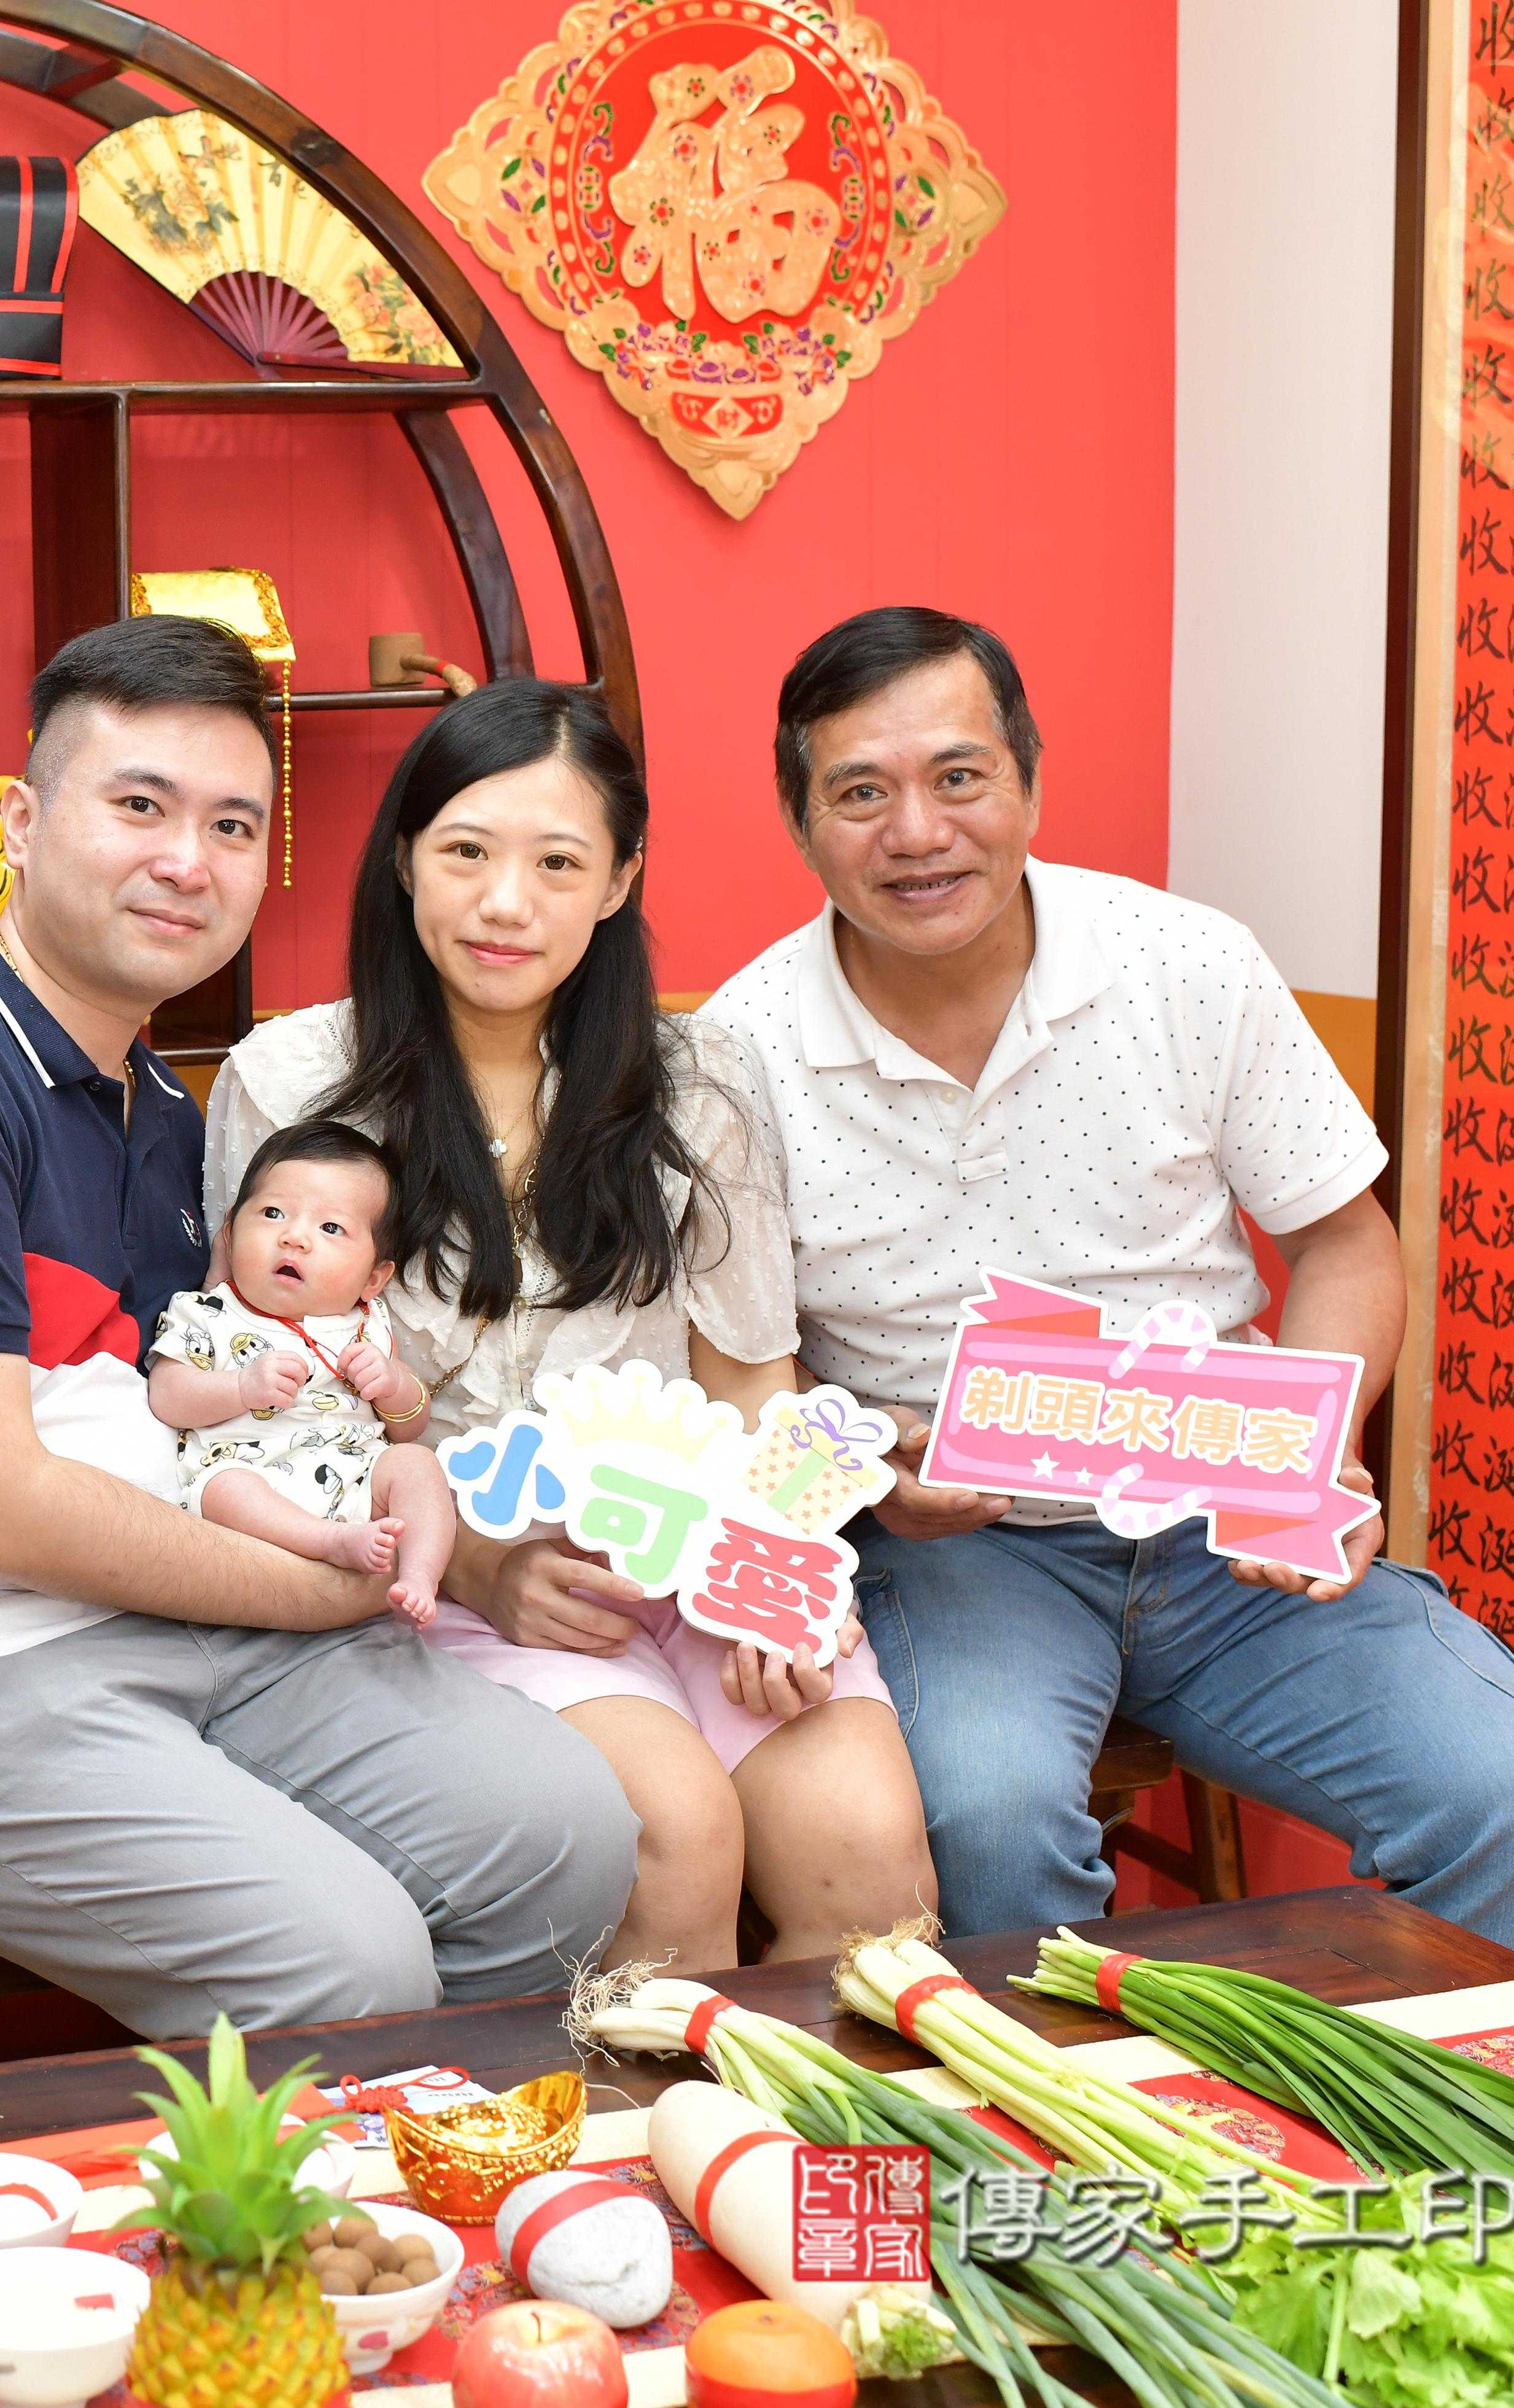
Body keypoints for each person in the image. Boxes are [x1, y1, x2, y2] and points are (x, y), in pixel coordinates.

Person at [0, 614, 639, 2040]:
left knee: (565, 1830)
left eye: (231, 825)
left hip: (174, 1614)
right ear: (18, 823)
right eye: (139, 805)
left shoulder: (159, 1104)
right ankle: (296, 2178)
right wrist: (326, 1585)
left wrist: (393, 1479)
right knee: (342, 1961)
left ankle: (409, 2166)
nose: (186, 860)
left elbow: (214, 1400)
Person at [698, 604, 1514, 1969]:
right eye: (860, 793)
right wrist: (868, 1469)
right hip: (961, 1550)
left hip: (1222, 1517)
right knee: (989, 1824)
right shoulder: (736, 1050)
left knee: (1501, 1796)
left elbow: (1345, 1244)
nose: (917, 831)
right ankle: (1079, 2106)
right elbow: (744, 1366)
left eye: (957, 776)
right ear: (798, 822)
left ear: (1026, 780)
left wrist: (1312, 1448)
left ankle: (1477, 2109)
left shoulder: (1186, 963)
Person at [209, 676, 933, 1968]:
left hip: (699, 1560)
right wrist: (478, 1564)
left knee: (871, 1858)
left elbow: (750, 1377)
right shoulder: (293, 1078)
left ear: (617, 879)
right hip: (447, 1585)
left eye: (556, 862)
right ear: (402, 859)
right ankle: (651, 2108)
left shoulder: (699, 1076)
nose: (506, 902)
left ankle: (796, 2115)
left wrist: (775, 1574)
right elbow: (283, 1403)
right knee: (674, 1833)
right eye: (465, 853)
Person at [145, 1120, 459, 1622]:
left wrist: (395, 1384)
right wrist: (242, 1386)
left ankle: (420, 1575)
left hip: (357, 1481)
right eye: (273, 1213)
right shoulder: (209, 1311)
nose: (294, 1238)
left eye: (330, 1228)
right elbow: (167, 1395)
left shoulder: (368, 1325)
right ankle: (330, 1541)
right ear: (231, 1231)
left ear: (374, 1278)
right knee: (224, 1488)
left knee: (418, 1466)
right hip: (255, 1486)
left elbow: (408, 1428)